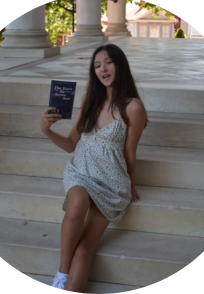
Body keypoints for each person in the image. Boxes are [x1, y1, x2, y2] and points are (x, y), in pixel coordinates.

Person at [40, 43, 148, 292]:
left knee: (85, 247)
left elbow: (130, 153)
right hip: (81, 172)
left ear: (120, 65)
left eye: (108, 62)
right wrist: (46, 130)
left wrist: (130, 184)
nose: (103, 69)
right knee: (77, 202)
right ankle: (62, 273)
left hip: (111, 182)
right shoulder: (89, 99)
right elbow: (70, 145)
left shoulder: (133, 107)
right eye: (97, 65)